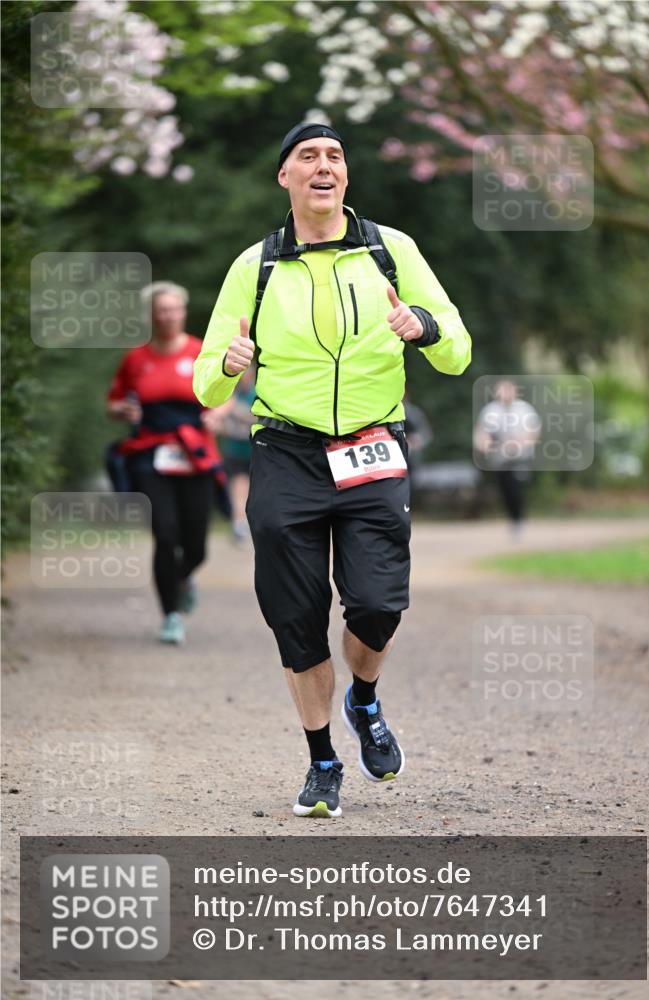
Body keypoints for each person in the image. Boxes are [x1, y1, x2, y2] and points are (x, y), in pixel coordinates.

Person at [194, 123, 471, 817]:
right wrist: (225, 368)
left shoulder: (390, 251)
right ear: (284, 178)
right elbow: (204, 383)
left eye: (335, 157)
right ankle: (322, 763)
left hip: (373, 450)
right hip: (285, 453)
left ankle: (364, 700)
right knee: (296, 616)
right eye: (308, 157)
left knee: (378, 605)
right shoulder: (254, 266)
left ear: (345, 177)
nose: (324, 166)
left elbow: (458, 351)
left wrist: (424, 330)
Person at [108, 281, 227, 645]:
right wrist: (122, 409)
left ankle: (182, 577)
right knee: (165, 534)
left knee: (196, 545)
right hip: (151, 453)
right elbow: (113, 402)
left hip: (194, 451)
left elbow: (223, 396)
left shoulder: (199, 351)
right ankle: (171, 615)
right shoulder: (136, 359)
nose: (170, 316)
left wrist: (217, 416)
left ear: (184, 312)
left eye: (176, 309)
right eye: (163, 310)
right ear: (151, 315)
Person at [474, 379, 541, 535]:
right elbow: (482, 433)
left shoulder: (524, 409)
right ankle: (514, 518)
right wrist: (484, 445)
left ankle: (518, 519)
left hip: (520, 457)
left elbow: (533, 431)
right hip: (500, 459)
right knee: (505, 489)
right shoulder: (490, 411)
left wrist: (518, 444)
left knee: (515, 486)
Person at [216, 366, 256, 543]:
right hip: (235, 449)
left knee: (252, 489)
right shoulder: (233, 394)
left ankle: (248, 523)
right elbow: (221, 422)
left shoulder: (259, 394)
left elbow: (258, 419)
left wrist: (238, 412)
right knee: (238, 487)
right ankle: (239, 524)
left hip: (255, 449)